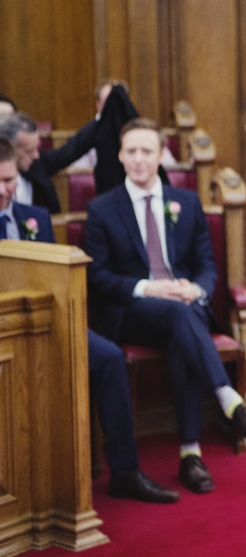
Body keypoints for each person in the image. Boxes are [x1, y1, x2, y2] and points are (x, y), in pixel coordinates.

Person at [84, 119, 246, 494]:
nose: (139, 159)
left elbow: (206, 264)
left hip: (184, 308)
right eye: (131, 152)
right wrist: (147, 287)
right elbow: (98, 278)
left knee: (181, 321)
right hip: (134, 311)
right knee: (177, 317)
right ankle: (225, 405)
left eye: (147, 151)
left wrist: (196, 289)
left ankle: (191, 455)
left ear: (160, 156)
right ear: (120, 156)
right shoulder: (102, 209)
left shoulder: (185, 202)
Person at [0, 137, 178, 502]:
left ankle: (125, 472)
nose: (6, 190)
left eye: (10, 180)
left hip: (48, 324)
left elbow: (57, 281)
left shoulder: (33, 218)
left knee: (109, 357)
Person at [0, 110, 100, 213]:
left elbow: (73, 149)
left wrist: (103, 118)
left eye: (36, 149)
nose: (36, 156)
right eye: (28, 151)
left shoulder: (37, 165)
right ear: (9, 147)